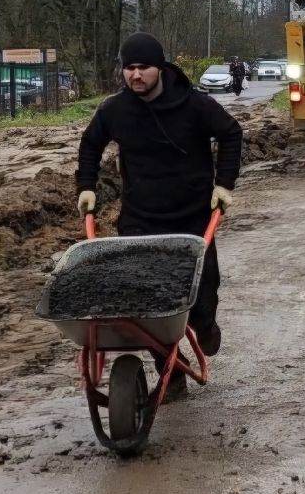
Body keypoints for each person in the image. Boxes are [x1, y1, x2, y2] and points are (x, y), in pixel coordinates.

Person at [76, 32, 244, 364]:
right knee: (148, 304)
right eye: (129, 68)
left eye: (143, 68)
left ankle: (205, 325)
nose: (135, 75)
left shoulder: (194, 105)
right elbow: (90, 145)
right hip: (141, 218)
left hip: (193, 217)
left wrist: (224, 184)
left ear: (160, 68)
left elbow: (231, 133)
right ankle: (172, 372)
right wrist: (86, 186)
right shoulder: (115, 110)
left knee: (202, 296)